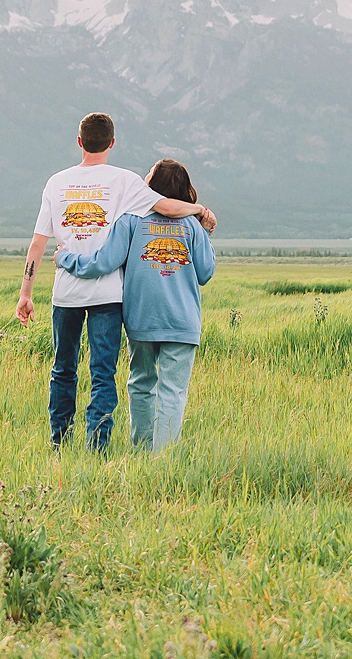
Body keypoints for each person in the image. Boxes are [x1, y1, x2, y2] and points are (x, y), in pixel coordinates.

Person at [16, 114, 213, 451]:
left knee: (65, 370)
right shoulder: (127, 182)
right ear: (112, 143)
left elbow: (41, 244)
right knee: (108, 376)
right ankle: (105, 448)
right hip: (118, 300)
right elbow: (169, 212)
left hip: (74, 297)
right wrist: (200, 213)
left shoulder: (60, 184)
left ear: (80, 142)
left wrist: (28, 290)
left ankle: (61, 445)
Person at [55, 158, 215, 453]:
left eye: (149, 174)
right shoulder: (192, 225)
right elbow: (205, 273)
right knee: (173, 391)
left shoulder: (131, 220)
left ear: (153, 184)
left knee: (141, 383)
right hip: (182, 323)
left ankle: (142, 451)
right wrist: (204, 233)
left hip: (141, 319)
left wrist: (65, 258)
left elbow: (102, 263)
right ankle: (163, 458)